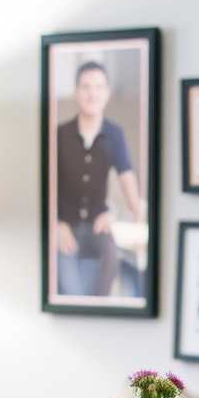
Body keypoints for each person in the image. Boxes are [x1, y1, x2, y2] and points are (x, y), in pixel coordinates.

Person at [56, 61, 146, 297]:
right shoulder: (60, 135)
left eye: (98, 87)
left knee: (112, 259)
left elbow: (126, 175)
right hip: (66, 227)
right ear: (77, 92)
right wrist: (56, 222)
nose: (92, 93)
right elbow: (47, 185)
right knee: (70, 288)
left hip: (98, 224)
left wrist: (133, 216)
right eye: (85, 87)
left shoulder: (114, 133)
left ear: (106, 92)